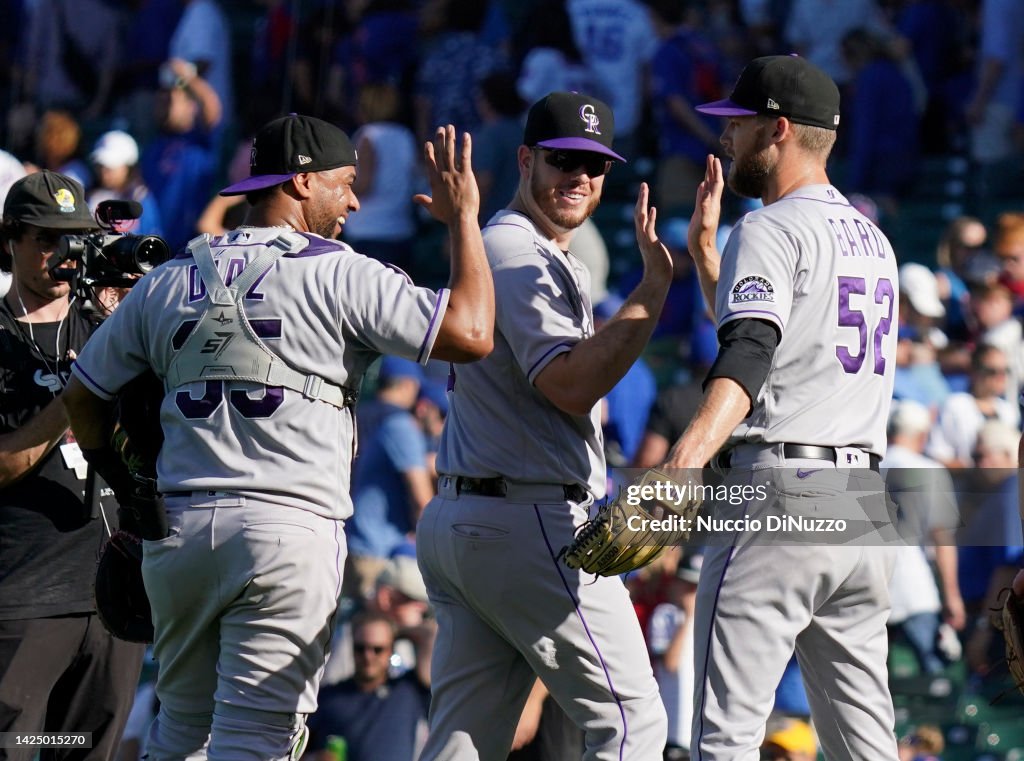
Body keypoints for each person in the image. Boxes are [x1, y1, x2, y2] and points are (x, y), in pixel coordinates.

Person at [61, 114, 494, 761]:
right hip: (285, 531)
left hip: (179, 527)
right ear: (300, 181)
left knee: (179, 731)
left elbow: (83, 396)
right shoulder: (343, 274)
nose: (353, 199)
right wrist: (464, 220)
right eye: (344, 183)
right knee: (254, 741)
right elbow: (472, 332)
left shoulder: (170, 278)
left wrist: (124, 481)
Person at [416, 90, 671, 760]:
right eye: (562, 160)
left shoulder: (517, 245)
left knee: (464, 742)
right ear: (526, 158)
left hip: (478, 513)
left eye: (594, 166)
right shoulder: (515, 248)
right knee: (634, 721)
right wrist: (652, 290)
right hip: (527, 518)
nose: (579, 177)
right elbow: (568, 384)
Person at [660, 56, 902, 759]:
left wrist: (684, 461)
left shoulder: (769, 227)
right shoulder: (874, 240)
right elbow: (776, 346)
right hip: (860, 501)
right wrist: (707, 254)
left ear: (780, 130)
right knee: (865, 745)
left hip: (779, 495)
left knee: (723, 738)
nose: (727, 138)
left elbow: (747, 358)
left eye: (739, 123)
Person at [0, 170, 145, 759]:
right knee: (16, 746)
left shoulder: (107, 326)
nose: (61, 255)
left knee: (86, 749)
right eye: (46, 239)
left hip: (114, 595)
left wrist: (140, 323)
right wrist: (78, 392)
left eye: (73, 239)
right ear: (9, 240)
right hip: (26, 593)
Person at [305, 612, 431, 761]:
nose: (368, 656)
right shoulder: (327, 696)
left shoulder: (409, 689)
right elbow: (293, 750)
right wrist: (314, 758)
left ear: (391, 649)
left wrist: (395, 631)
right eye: (360, 648)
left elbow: (431, 633)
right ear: (351, 647)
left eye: (378, 649)